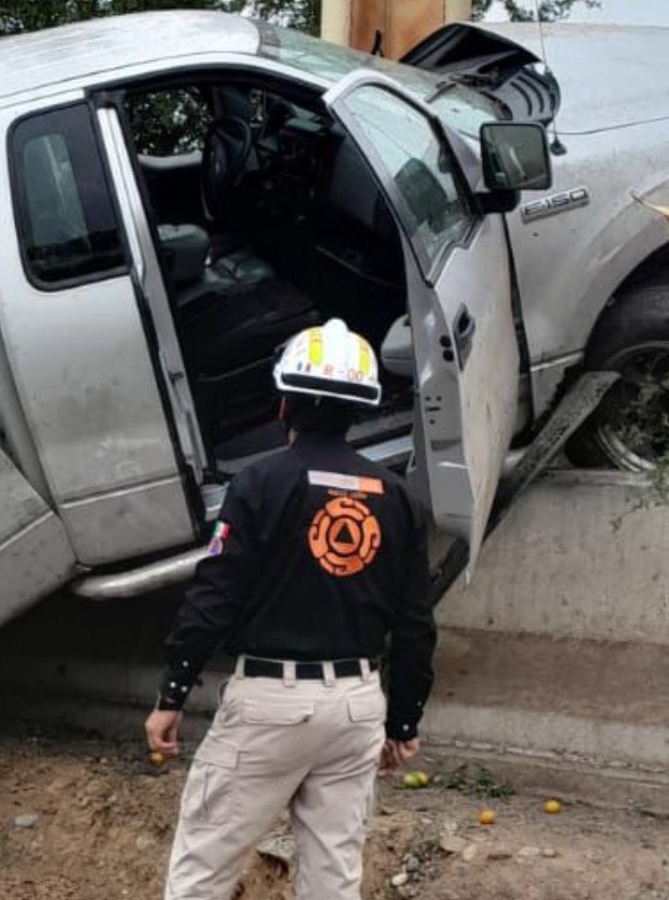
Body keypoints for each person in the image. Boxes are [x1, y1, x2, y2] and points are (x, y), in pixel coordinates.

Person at [147, 319, 437, 900]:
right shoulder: (397, 499)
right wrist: (402, 722)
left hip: (271, 705)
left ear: (284, 406)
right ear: (358, 410)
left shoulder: (259, 483)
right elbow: (414, 625)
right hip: (356, 708)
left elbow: (215, 595)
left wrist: (172, 694)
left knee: (202, 870)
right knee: (333, 878)